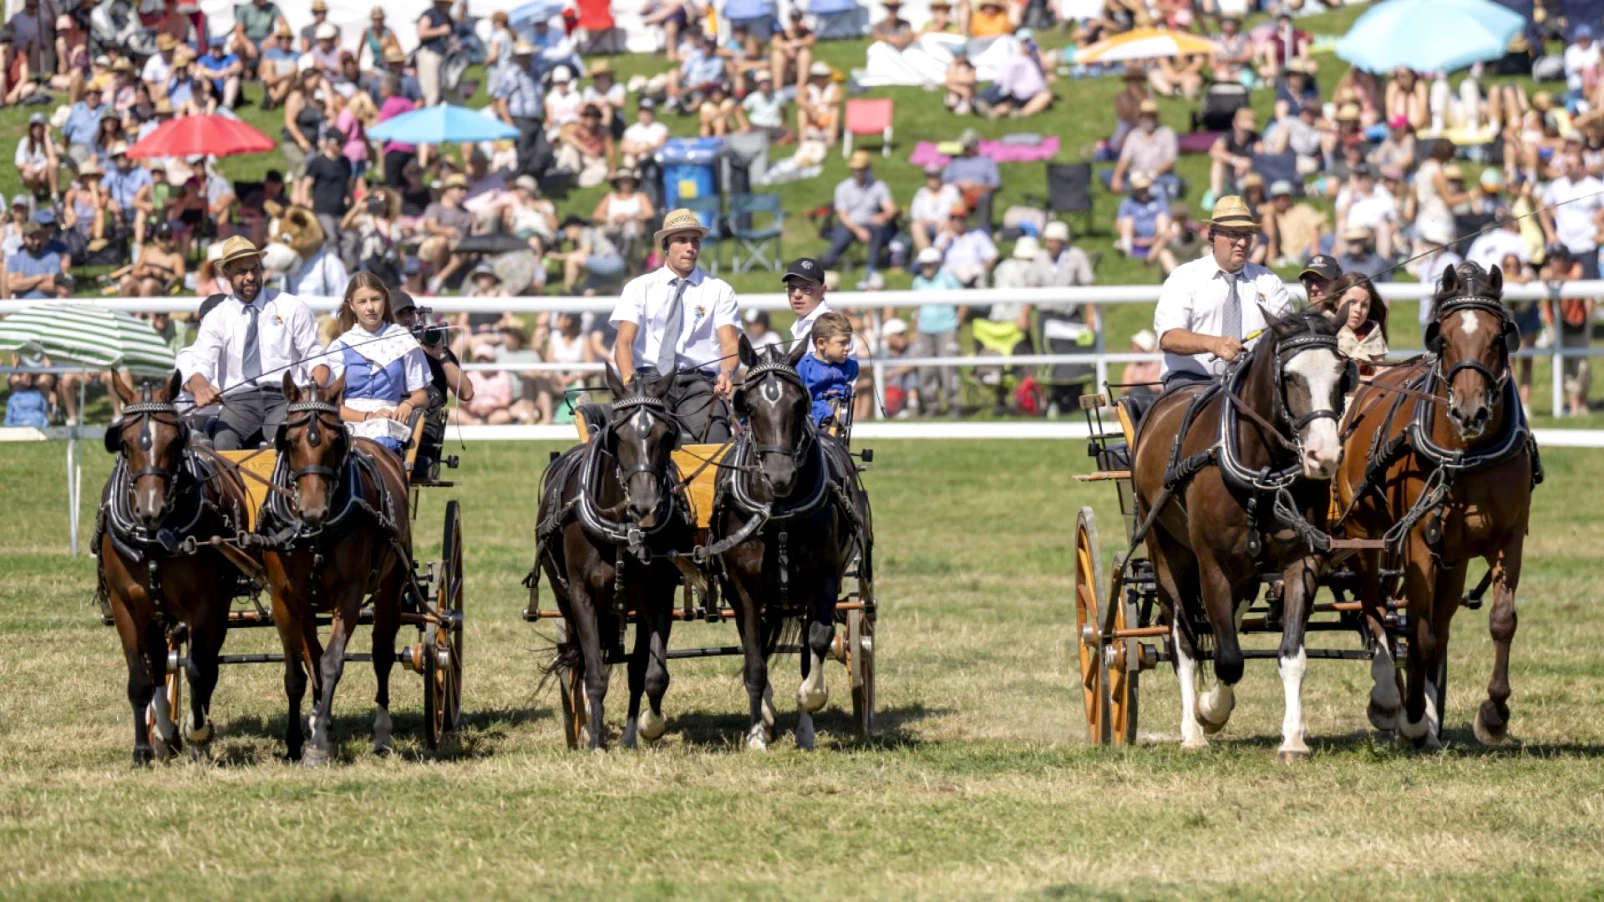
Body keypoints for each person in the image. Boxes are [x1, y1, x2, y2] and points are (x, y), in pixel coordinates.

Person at [182, 236, 330, 450]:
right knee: (223, 443)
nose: (250, 277)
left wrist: (315, 386)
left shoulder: (291, 307)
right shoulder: (216, 318)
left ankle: (282, 484)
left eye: (255, 269)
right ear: (226, 274)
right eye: (242, 272)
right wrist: (202, 389)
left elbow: (314, 356)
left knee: (287, 440)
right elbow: (200, 365)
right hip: (237, 402)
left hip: (284, 397)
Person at [610, 208, 741, 442]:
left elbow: (730, 345)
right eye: (682, 240)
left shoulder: (719, 290)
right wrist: (630, 384)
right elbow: (623, 343)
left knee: (718, 441)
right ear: (666, 245)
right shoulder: (639, 288)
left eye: (695, 241)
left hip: (699, 385)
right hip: (649, 381)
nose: (690, 248)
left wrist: (726, 372)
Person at [1153, 196, 1292, 387]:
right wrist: (1212, 344)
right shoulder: (1184, 278)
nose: (1242, 243)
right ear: (1212, 236)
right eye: (1234, 234)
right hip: (1191, 382)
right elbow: (1168, 337)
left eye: (1247, 235)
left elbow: (1286, 337)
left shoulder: (1269, 282)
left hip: (1252, 385)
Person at [321, 272, 431, 454]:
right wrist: (367, 416)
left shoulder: (403, 340)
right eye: (362, 302)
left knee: (381, 445)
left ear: (385, 300)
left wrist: (407, 405)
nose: (370, 307)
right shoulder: (340, 346)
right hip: (348, 421)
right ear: (351, 305)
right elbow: (333, 405)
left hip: (388, 421)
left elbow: (421, 394)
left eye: (375, 299)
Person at [820, 151, 897, 286]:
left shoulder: (878, 186)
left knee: (877, 229)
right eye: (855, 169)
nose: (857, 172)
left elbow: (892, 209)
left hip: (871, 223)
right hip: (850, 224)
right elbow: (843, 215)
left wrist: (883, 216)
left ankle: (871, 269)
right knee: (843, 236)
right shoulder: (843, 188)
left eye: (861, 169)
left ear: (867, 169)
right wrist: (858, 230)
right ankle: (826, 264)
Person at [911, 246, 963, 417]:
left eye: (929, 264)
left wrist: (957, 322)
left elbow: (964, 300)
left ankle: (954, 403)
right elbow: (916, 307)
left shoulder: (948, 279)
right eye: (923, 264)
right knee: (926, 369)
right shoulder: (918, 281)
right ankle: (931, 405)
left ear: (937, 263)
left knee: (948, 368)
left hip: (947, 327)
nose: (926, 268)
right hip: (925, 329)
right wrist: (915, 328)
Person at [1541, 246, 1593, 416]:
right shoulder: (1546, 271)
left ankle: (1582, 403)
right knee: (1563, 368)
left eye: (1557, 258)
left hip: (1578, 321)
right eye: (1551, 258)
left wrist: (1556, 277)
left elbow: (1575, 278)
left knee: (1581, 366)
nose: (1552, 262)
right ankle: (1574, 407)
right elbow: (1544, 275)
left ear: (1565, 259)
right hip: (1555, 323)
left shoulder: (1576, 268)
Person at [493, 41, 549, 182]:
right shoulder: (511, 74)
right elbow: (501, 100)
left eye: (527, 55)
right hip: (519, 118)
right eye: (522, 56)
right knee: (523, 153)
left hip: (535, 117)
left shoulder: (535, 72)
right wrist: (509, 121)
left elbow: (540, 95)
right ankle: (520, 181)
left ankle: (533, 178)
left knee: (544, 151)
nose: (526, 58)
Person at [796, 311, 859, 427]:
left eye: (848, 342)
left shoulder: (848, 366)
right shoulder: (804, 366)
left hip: (840, 412)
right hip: (812, 417)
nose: (848, 348)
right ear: (821, 343)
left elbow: (854, 374)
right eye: (842, 343)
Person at [1110, 99, 1178, 200]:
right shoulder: (1133, 135)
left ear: (1156, 117)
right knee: (1106, 175)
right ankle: (1144, 190)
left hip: (1158, 175)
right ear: (1140, 117)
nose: (1148, 118)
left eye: (1151, 115)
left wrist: (1151, 175)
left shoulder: (1167, 133)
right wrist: (1117, 177)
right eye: (1145, 115)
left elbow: (1170, 161)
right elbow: (1124, 159)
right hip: (1136, 175)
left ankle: (1139, 190)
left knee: (1174, 182)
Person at [1327, 272, 1389, 377]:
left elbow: (1380, 372)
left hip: (1368, 392)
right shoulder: (1324, 329)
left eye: (1364, 305)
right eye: (1352, 302)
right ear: (1337, 302)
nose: (1358, 310)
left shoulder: (1372, 330)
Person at [1115, 173, 1177, 275]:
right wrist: (1136, 240)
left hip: (1158, 237)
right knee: (1127, 220)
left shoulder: (1158, 201)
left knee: (1162, 218)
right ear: (1134, 190)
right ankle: (1127, 247)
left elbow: (1168, 220)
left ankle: (1156, 251)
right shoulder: (1127, 203)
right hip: (1136, 238)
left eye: (1145, 188)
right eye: (1140, 189)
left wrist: (1155, 239)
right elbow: (1119, 225)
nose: (1144, 192)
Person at [118, 222, 184, 296]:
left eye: (168, 237)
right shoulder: (148, 252)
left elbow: (180, 280)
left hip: (160, 285)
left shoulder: (176, 257)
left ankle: (141, 307)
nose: (165, 240)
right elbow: (135, 271)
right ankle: (122, 307)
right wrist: (144, 272)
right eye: (161, 237)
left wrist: (163, 274)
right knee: (125, 279)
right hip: (142, 280)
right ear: (155, 238)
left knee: (148, 283)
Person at [6, 222, 67, 299]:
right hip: (21, 306)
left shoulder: (53, 257)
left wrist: (23, 283)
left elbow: (53, 286)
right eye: (32, 238)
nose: (37, 241)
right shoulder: (15, 259)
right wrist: (41, 278)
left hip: (46, 305)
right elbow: (12, 285)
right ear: (23, 238)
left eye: (39, 237)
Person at [782, 256, 831, 347]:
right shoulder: (804, 324)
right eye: (792, 288)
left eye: (806, 288)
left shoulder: (829, 328)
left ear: (822, 291)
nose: (797, 295)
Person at [416, 0, 455, 107]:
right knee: (432, 91)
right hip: (430, 54)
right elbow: (421, 33)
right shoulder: (430, 14)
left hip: (443, 55)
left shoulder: (446, 17)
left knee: (443, 89)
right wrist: (439, 31)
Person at [16, 113, 58, 200]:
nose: (37, 130)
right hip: (33, 173)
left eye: (40, 127)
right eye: (34, 126)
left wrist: (46, 135)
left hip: (46, 172)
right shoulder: (24, 142)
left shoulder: (49, 140)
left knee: (53, 163)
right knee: (27, 174)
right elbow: (19, 164)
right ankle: (35, 192)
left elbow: (52, 157)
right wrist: (32, 168)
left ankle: (55, 196)